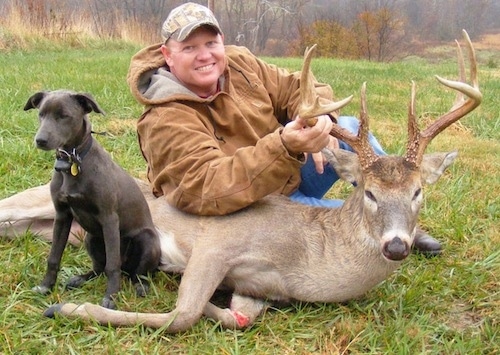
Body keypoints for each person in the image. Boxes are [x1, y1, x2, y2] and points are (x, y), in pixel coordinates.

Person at [127, 2, 441, 254]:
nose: (205, 55)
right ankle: (393, 228)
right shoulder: (165, 119)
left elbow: (296, 86)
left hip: (293, 170)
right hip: (256, 206)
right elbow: (207, 189)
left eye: (211, 42)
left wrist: (320, 120)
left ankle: (396, 206)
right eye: (190, 47)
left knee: (348, 127)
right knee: (352, 225)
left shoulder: (239, 64)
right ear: (168, 55)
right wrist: (285, 146)